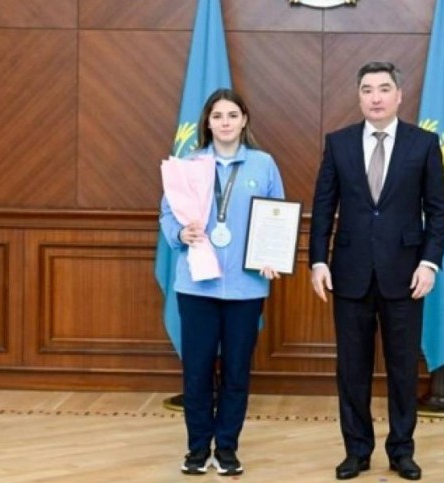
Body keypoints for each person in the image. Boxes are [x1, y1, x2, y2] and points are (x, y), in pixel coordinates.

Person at [309, 62, 444, 481]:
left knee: (403, 369)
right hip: (349, 273)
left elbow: (437, 211)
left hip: (405, 275)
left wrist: (429, 263)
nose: (375, 97)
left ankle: (401, 451)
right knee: (352, 369)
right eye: (367, 89)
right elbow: (323, 207)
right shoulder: (338, 144)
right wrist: (317, 260)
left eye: (384, 89)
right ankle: (356, 451)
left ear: (399, 96)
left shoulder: (424, 144)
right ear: (359, 97)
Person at [160, 88, 285, 476]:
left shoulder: (263, 164)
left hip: (247, 289)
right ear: (208, 123)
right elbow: (168, 215)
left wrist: (274, 255)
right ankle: (198, 449)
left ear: (244, 120)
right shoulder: (189, 164)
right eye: (218, 116)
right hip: (197, 286)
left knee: (235, 372)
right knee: (197, 371)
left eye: (232, 115)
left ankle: (227, 448)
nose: (225, 122)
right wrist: (180, 234)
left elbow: (277, 215)